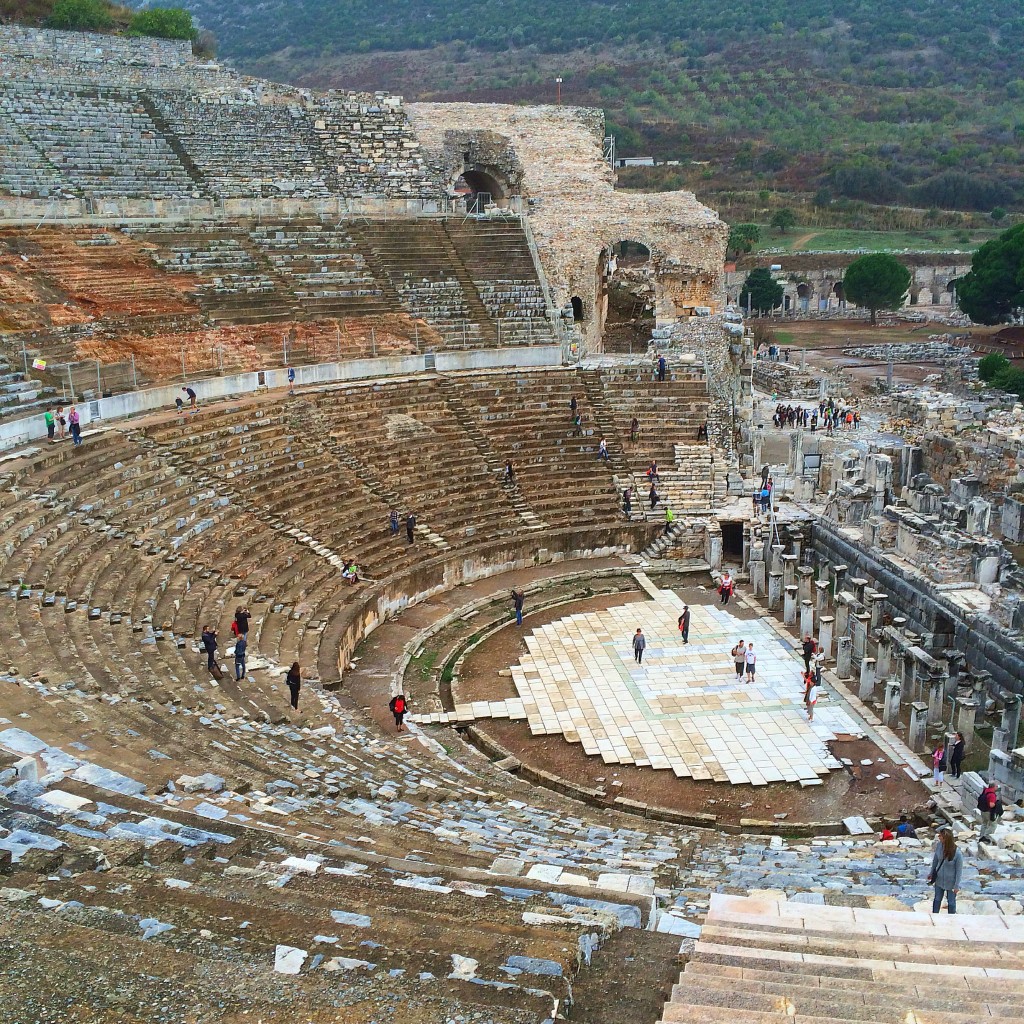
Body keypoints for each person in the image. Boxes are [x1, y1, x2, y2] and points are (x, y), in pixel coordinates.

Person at [927, 825, 963, 914]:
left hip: (951, 881)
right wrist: (931, 872)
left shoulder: (957, 853)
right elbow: (935, 860)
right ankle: (935, 916)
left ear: (946, 839)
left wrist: (957, 885)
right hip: (939, 879)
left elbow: (959, 870)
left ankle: (951, 919)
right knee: (937, 899)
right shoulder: (939, 846)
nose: (939, 837)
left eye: (940, 836)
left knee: (951, 903)